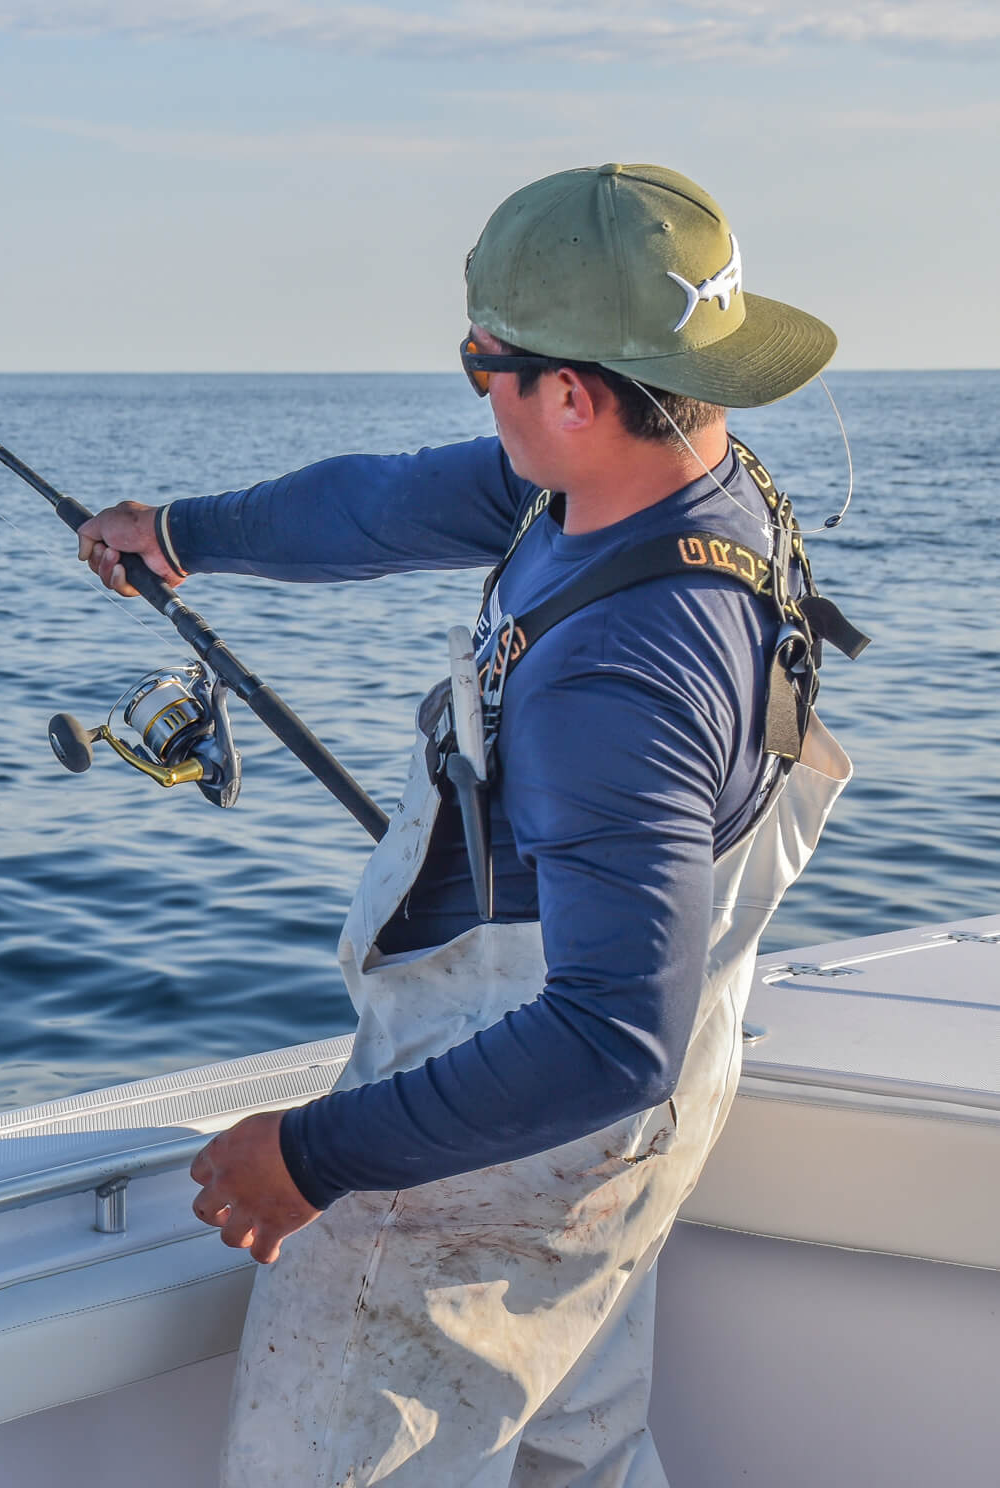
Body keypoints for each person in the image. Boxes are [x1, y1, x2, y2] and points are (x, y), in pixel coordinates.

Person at [75, 163, 859, 1486]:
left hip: (525, 1125)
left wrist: (316, 1158)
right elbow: (380, 504)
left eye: (479, 362)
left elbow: (612, 1035)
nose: (476, 390)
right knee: (578, 1452)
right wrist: (184, 533)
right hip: (631, 1138)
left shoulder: (624, 670)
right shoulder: (652, 486)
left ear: (571, 394)